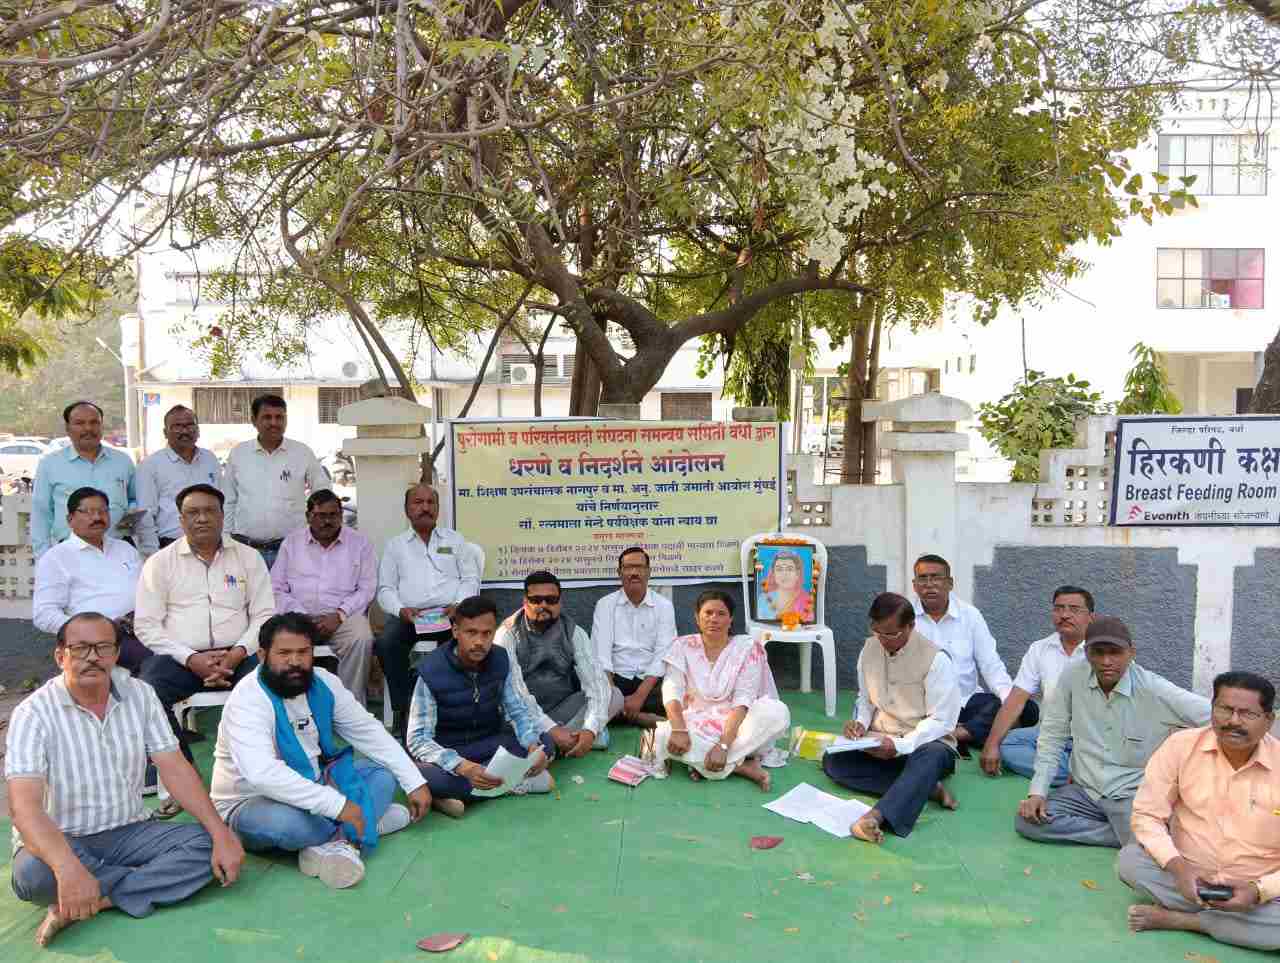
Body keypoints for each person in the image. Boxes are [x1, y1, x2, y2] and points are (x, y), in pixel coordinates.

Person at [6, 613, 244, 947]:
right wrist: (67, 867)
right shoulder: (33, 714)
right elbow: (24, 809)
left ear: (117, 655)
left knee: (211, 845)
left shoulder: (141, 695)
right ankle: (127, 883)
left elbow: (174, 766)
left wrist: (220, 831)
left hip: (129, 830)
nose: (93, 657)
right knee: (34, 877)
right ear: (61, 656)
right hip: (63, 838)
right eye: (81, 648)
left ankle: (97, 899)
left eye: (103, 647)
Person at [210, 614, 431, 889]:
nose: (295, 661)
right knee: (291, 826)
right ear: (263, 654)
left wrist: (414, 781)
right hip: (251, 802)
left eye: (303, 652)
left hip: (316, 782)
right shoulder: (248, 699)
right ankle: (359, 829)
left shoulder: (323, 682)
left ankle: (332, 843)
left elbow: (368, 731)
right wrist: (338, 805)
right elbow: (262, 775)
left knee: (383, 776)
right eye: (284, 653)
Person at [1014, 615, 1211, 848]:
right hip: (1085, 791)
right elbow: (1052, 735)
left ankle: (1135, 835)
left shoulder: (1154, 689)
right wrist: (1037, 793)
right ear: (1086, 653)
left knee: (1155, 850)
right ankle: (1122, 835)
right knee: (1027, 821)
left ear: (1131, 653)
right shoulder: (1072, 676)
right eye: (1098, 652)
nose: (1107, 661)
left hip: (1131, 794)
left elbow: (1214, 717)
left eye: (1115, 652)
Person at [1119, 671, 1280, 952]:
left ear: (1269, 721)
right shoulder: (1181, 747)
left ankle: (1187, 921)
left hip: (1260, 889)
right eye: (1225, 709)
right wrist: (1179, 868)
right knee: (1130, 861)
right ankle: (1239, 924)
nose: (1233, 721)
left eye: (1248, 714)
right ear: (1212, 709)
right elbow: (1146, 815)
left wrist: (1258, 891)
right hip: (1190, 879)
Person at [135, 483, 274, 778]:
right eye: (192, 512)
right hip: (181, 658)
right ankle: (184, 776)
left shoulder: (249, 557)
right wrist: (189, 658)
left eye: (210, 511)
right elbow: (146, 625)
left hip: (239, 653)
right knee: (147, 691)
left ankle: (261, 770)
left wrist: (237, 653)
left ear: (223, 516)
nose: (202, 519)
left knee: (274, 684)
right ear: (180, 519)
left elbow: (264, 615)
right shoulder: (160, 563)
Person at [822, 592, 961, 843]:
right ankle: (925, 787)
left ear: (911, 626)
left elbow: (942, 721)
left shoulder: (936, 659)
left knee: (931, 757)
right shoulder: (869, 649)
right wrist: (860, 724)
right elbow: (865, 699)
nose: (883, 640)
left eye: (892, 633)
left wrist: (900, 745)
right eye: (878, 632)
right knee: (833, 760)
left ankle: (875, 818)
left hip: (924, 744)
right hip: (879, 739)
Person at [406, 595, 558, 817]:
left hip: (487, 742)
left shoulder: (499, 658)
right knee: (418, 774)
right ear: (456, 631)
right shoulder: (431, 671)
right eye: (471, 632)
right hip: (449, 751)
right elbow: (418, 739)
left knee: (545, 742)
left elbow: (516, 712)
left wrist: (532, 746)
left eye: (487, 633)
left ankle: (462, 795)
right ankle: (510, 783)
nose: (479, 641)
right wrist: (462, 766)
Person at [651, 590, 790, 790]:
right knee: (665, 737)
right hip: (698, 721)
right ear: (697, 618)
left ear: (731, 619)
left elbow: (744, 698)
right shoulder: (681, 646)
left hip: (739, 724)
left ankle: (707, 763)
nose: (713, 619)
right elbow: (672, 689)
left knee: (777, 712)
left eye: (721, 614)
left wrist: (724, 745)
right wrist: (679, 729)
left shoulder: (747, 648)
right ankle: (742, 766)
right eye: (708, 613)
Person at [376, 484, 480, 735]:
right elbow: (385, 589)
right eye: (418, 502)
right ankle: (405, 709)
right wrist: (401, 610)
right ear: (406, 510)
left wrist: (459, 605)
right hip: (411, 617)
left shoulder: (454, 541)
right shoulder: (395, 546)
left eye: (430, 503)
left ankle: (456, 709)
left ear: (437, 508)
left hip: (450, 614)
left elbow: (470, 579)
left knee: (465, 644)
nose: (425, 508)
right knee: (386, 643)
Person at [979, 585, 1093, 787]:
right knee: (1006, 743)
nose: (1065, 615)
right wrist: (991, 744)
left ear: (1091, 617)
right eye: (1059, 608)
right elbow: (1015, 699)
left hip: (1093, 739)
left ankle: (1074, 771)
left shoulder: (1103, 650)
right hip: (1049, 734)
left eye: (1074, 609)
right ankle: (1079, 773)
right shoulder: (1040, 649)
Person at [911, 553, 1025, 755]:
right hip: (923, 706)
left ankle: (954, 735)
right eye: (923, 578)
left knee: (1025, 708)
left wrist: (1009, 703)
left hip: (966, 702)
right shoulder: (905, 617)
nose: (929, 584)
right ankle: (972, 732)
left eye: (936, 577)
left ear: (950, 583)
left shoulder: (970, 615)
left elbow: (990, 664)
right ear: (914, 585)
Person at [271, 490, 377, 706]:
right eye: (321, 515)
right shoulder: (291, 543)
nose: (327, 521)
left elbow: (367, 588)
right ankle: (288, 707)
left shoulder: (359, 544)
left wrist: (339, 615)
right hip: (298, 617)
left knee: (361, 637)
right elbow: (276, 588)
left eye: (333, 515)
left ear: (340, 515)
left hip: (342, 617)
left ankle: (350, 707)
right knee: (270, 637)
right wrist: (300, 615)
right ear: (309, 516)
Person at [496, 571, 619, 755]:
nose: (543, 605)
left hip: (563, 709)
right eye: (536, 600)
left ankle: (573, 739)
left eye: (551, 600)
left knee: (615, 696)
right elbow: (515, 694)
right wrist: (552, 729)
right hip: (524, 717)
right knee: (523, 729)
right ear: (525, 602)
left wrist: (590, 730)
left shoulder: (574, 632)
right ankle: (564, 740)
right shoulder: (507, 635)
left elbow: (596, 683)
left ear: (560, 603)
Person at [33, 487, 149, 673]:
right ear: (70, 519)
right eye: (87, 512)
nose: (97, 517)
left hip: (143, 628)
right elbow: (43, 614)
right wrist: (87, 632)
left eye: (102, 511)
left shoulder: (125, 549)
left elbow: (147, 590)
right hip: (100, 640)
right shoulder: (56, 558)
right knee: (158, 663)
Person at [222, 393, 328, 569]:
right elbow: (228, 500)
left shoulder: (301, 453)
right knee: (249, 597)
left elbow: (322, 491)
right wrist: (226, 540)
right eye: (267, 417)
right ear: (254, 420)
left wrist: (314, 528)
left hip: (292, 551)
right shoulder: (239, 454)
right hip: (246, 551)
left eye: (279, 417)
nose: (274, 422)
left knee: (290, 596)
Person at [32, 401, 136, 559]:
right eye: (80, 423)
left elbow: (135, 499)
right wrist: (43, 557)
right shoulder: (50, 465)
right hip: (70, 552)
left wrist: (130, 513)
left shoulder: (123, 461)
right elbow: (41, 514)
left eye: (94, 422)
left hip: (117, 549)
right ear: (68, 429)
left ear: (101, 426)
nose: (88, 428)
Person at [592, 547, 676, 729]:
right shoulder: (605, 604)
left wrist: (639, 696)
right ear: (619, 572)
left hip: (650, 682)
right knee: (589, 693)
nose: (634, 573)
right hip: (615, 680)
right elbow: (601, 655)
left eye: (639, 567)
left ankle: (620, 714)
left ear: (649, 572)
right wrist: (612, 695)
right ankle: (640, 717)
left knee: (677, 696)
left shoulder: (664, 606)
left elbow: (664, 654)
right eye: (628, 567)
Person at [135, 405, 223, 555]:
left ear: (198, 430)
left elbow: (221, 505)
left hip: (210, 546)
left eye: (189, 425)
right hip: (170, 548)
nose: (184, 431)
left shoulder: (210, 459)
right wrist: (152, 554)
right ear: (165, 432)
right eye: (177, 426)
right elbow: (146, 516)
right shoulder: (150, 465)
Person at [758, 549, 815, 622]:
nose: (784, 574)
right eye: (779, 569)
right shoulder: (763, 600)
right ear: (774, 574)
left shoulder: (807, 601)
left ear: (797, 574)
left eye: (790, 569)